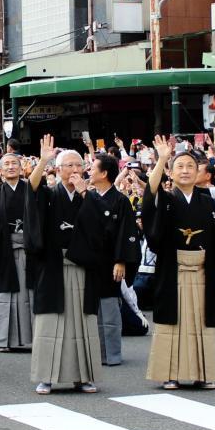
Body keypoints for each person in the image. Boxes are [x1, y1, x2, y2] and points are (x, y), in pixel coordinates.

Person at [143, 135, 215, 390]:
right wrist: (161, 159)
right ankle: (169, 373)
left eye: (190, 167)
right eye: (179, 167)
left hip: (203, 270)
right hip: (174, 269)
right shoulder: (167, 199)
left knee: (199, 322)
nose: (185, 171)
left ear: (199, 173)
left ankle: (201, 373)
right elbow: (150, 193)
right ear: (170, 173)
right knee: (173, 322)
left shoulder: (208, 203)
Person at [26, 137, 102, 394]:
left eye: (78, 165)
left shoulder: (88, 196)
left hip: (81, 266)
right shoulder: (49, 194)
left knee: (82, 321)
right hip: (53, 264)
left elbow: (101, 226)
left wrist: (84, 192)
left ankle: (85, 377)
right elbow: (32, 189)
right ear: (58, 170)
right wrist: (44, 159)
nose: (74, 170)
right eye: (68, 165)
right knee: (50, 322)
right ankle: (46, 376)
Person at [76, 152, 141, 366]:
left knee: (109, 309)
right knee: (89, 309)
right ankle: (92, 353)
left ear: (104, 173)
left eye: (93, 168)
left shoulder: (120, 200)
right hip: (89, 259)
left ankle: (111, 353)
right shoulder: (87, 195)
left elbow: (126, 232)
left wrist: (121, 260)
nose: (89, 171)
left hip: (110, 259)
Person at [0, 152, 34, 352]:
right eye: (7, 164)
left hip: (30, 251)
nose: (11, 167)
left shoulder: (32, 190)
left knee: (31, 292)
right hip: (5, 250)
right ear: (0, 171)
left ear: (22, 168)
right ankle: (6, 340)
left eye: (15, 163)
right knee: (7, 294)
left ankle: (32, 338)